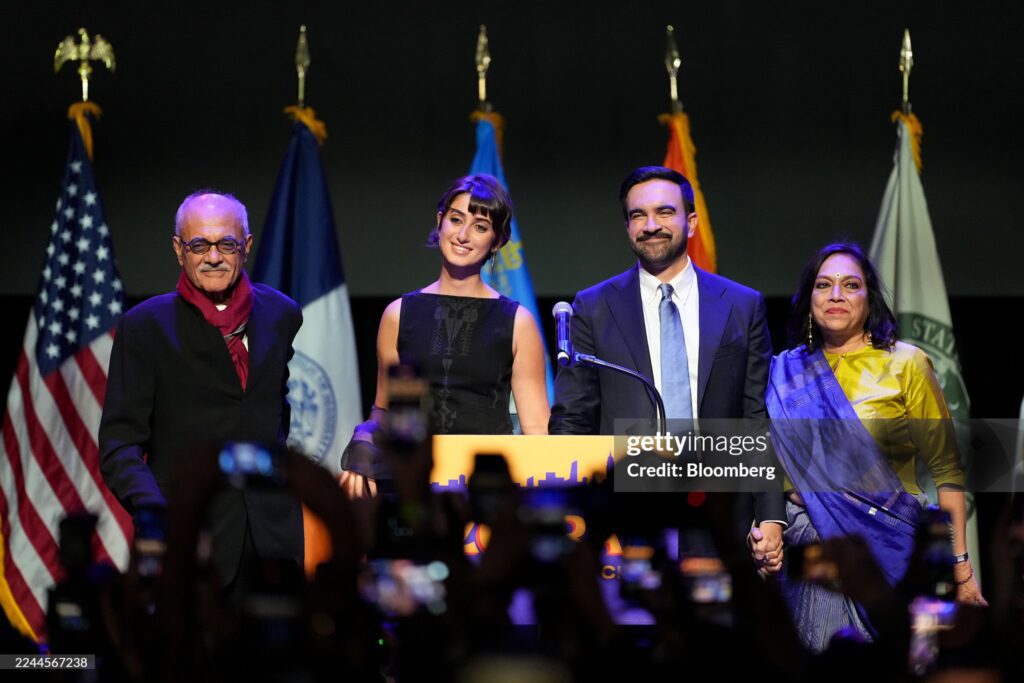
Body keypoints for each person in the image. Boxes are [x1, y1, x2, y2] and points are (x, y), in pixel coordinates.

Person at [548, 165, 786, 562]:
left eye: (664, 212)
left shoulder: (743, 306)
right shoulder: (592, 306)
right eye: (638, 215)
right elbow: (572, 420)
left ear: (690, 222)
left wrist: (772, 518)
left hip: (720, 511)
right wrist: (571, 510)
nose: (650, 225)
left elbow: (756, 419)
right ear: (626, 227)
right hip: (623, 516)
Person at [766, 241, 985, 652]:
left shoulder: (906, 364)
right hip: (810, 553)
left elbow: (948, 472)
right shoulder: (783, 372)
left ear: (870, 298)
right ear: (807, 298)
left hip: (890, 550)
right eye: (823, 285)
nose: (835, 295)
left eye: (851, 285)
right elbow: (766, 470)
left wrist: (961, 570)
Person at [99, 190, 304, 592]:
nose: (213, 257)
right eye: (199, 245)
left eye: (226, 243)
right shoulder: (145, 327)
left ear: (246, 246)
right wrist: (156, 511)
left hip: (275, 541)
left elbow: (274, 415)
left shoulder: (281, 314)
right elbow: (119, 445)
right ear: (179, 250)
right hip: (190, 538)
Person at [339, 174, 550, 496]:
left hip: (486, 488)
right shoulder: (399, 314)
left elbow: (536, 430)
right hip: (414, 484)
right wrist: (364, 439)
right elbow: (388, 410)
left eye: (480, 227)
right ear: (440, 222)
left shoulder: (517, 321)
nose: (463, 235)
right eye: (456, 219)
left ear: (497, 241)